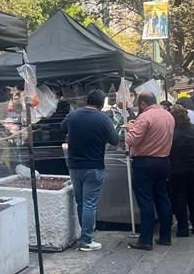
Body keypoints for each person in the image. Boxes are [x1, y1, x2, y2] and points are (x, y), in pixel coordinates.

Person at [61, 90, 121, 251]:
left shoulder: (73, 115)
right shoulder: (103, 118)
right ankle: (86, 239)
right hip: (94, 166)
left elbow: (62, 128)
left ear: (88, 100)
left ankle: (84, 235)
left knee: (81, 201)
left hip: (74, 165)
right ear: (101, 104)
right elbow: (115, 140)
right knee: (89, 203)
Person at [124, 92, 174, 251]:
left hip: (145, 162)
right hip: (163, 161)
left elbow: (132, 140)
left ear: (143, 104)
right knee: (162, 198)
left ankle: (146, 239)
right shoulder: (168, 116)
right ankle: (165, 236)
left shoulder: (145, 117)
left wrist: (129, 129)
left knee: (145, 200)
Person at [168, 105, 194, 237]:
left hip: (177, 169)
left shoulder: (173, 133)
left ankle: (182, 228)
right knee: (193, 198)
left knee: (179, 199)